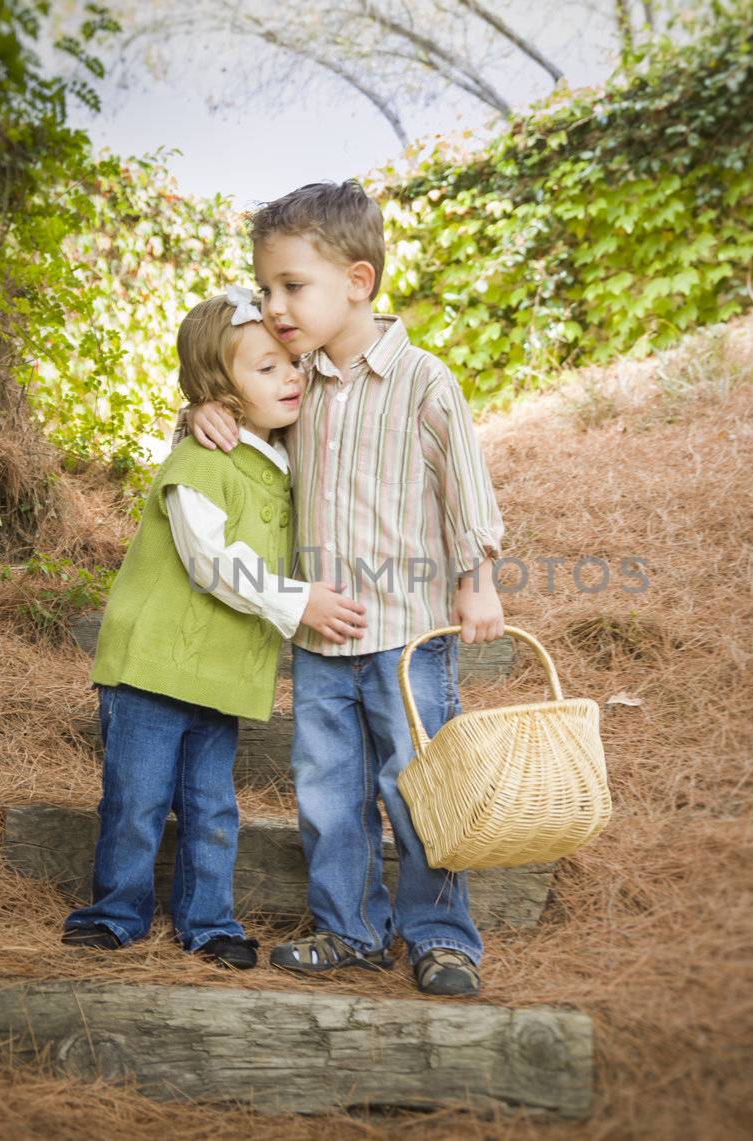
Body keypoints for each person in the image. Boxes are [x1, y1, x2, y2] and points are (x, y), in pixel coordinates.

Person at [185, 182, 505, 996]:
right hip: (323, 637)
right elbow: (236, 395)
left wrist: (479, 579)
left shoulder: (424, 382)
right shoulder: (295, 384)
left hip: (408, 635)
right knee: (328, 791)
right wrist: (198, 415)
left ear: (357, 281)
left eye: (292, 287)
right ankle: (351, 927)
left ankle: (441, 936)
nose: (275, 305)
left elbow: (466, 488)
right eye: (265, 290)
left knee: (421, 788)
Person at [62, 288, 368, 967]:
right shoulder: (201, 459)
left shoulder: (284, 465)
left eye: (292, 363)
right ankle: (115, 911)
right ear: (221, 397)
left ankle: (208, 920)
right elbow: (212, 563)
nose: (291, 376)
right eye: (267, 368)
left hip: (219, 675)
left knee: (212, 807)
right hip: (151, 667)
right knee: (137, 799)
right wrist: (299, 603)